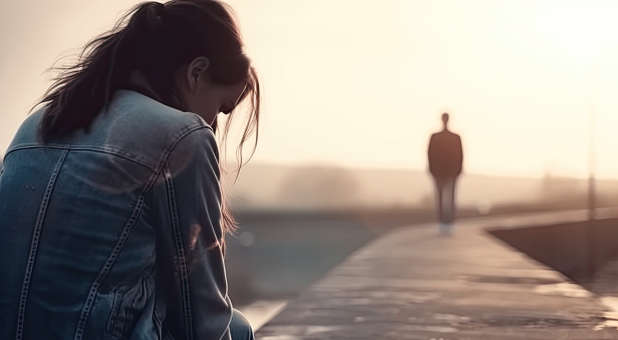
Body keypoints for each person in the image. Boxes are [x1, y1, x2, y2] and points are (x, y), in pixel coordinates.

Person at [0, 1, 259, 339]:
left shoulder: (39, 122)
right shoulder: (182, 134)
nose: (213, 122)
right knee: (235, 329)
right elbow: (202, 311)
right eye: (223, 108)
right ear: (196, 72)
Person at [427, 113, 463, 233]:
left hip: (449, 172)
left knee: (446, 197)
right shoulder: (441, 137)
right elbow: (430, 154)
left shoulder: (449, 137)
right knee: (444, 197)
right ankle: (444, 221)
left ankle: (447, 221)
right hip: (441, 172)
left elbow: (460, 155)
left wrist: (458, 170)